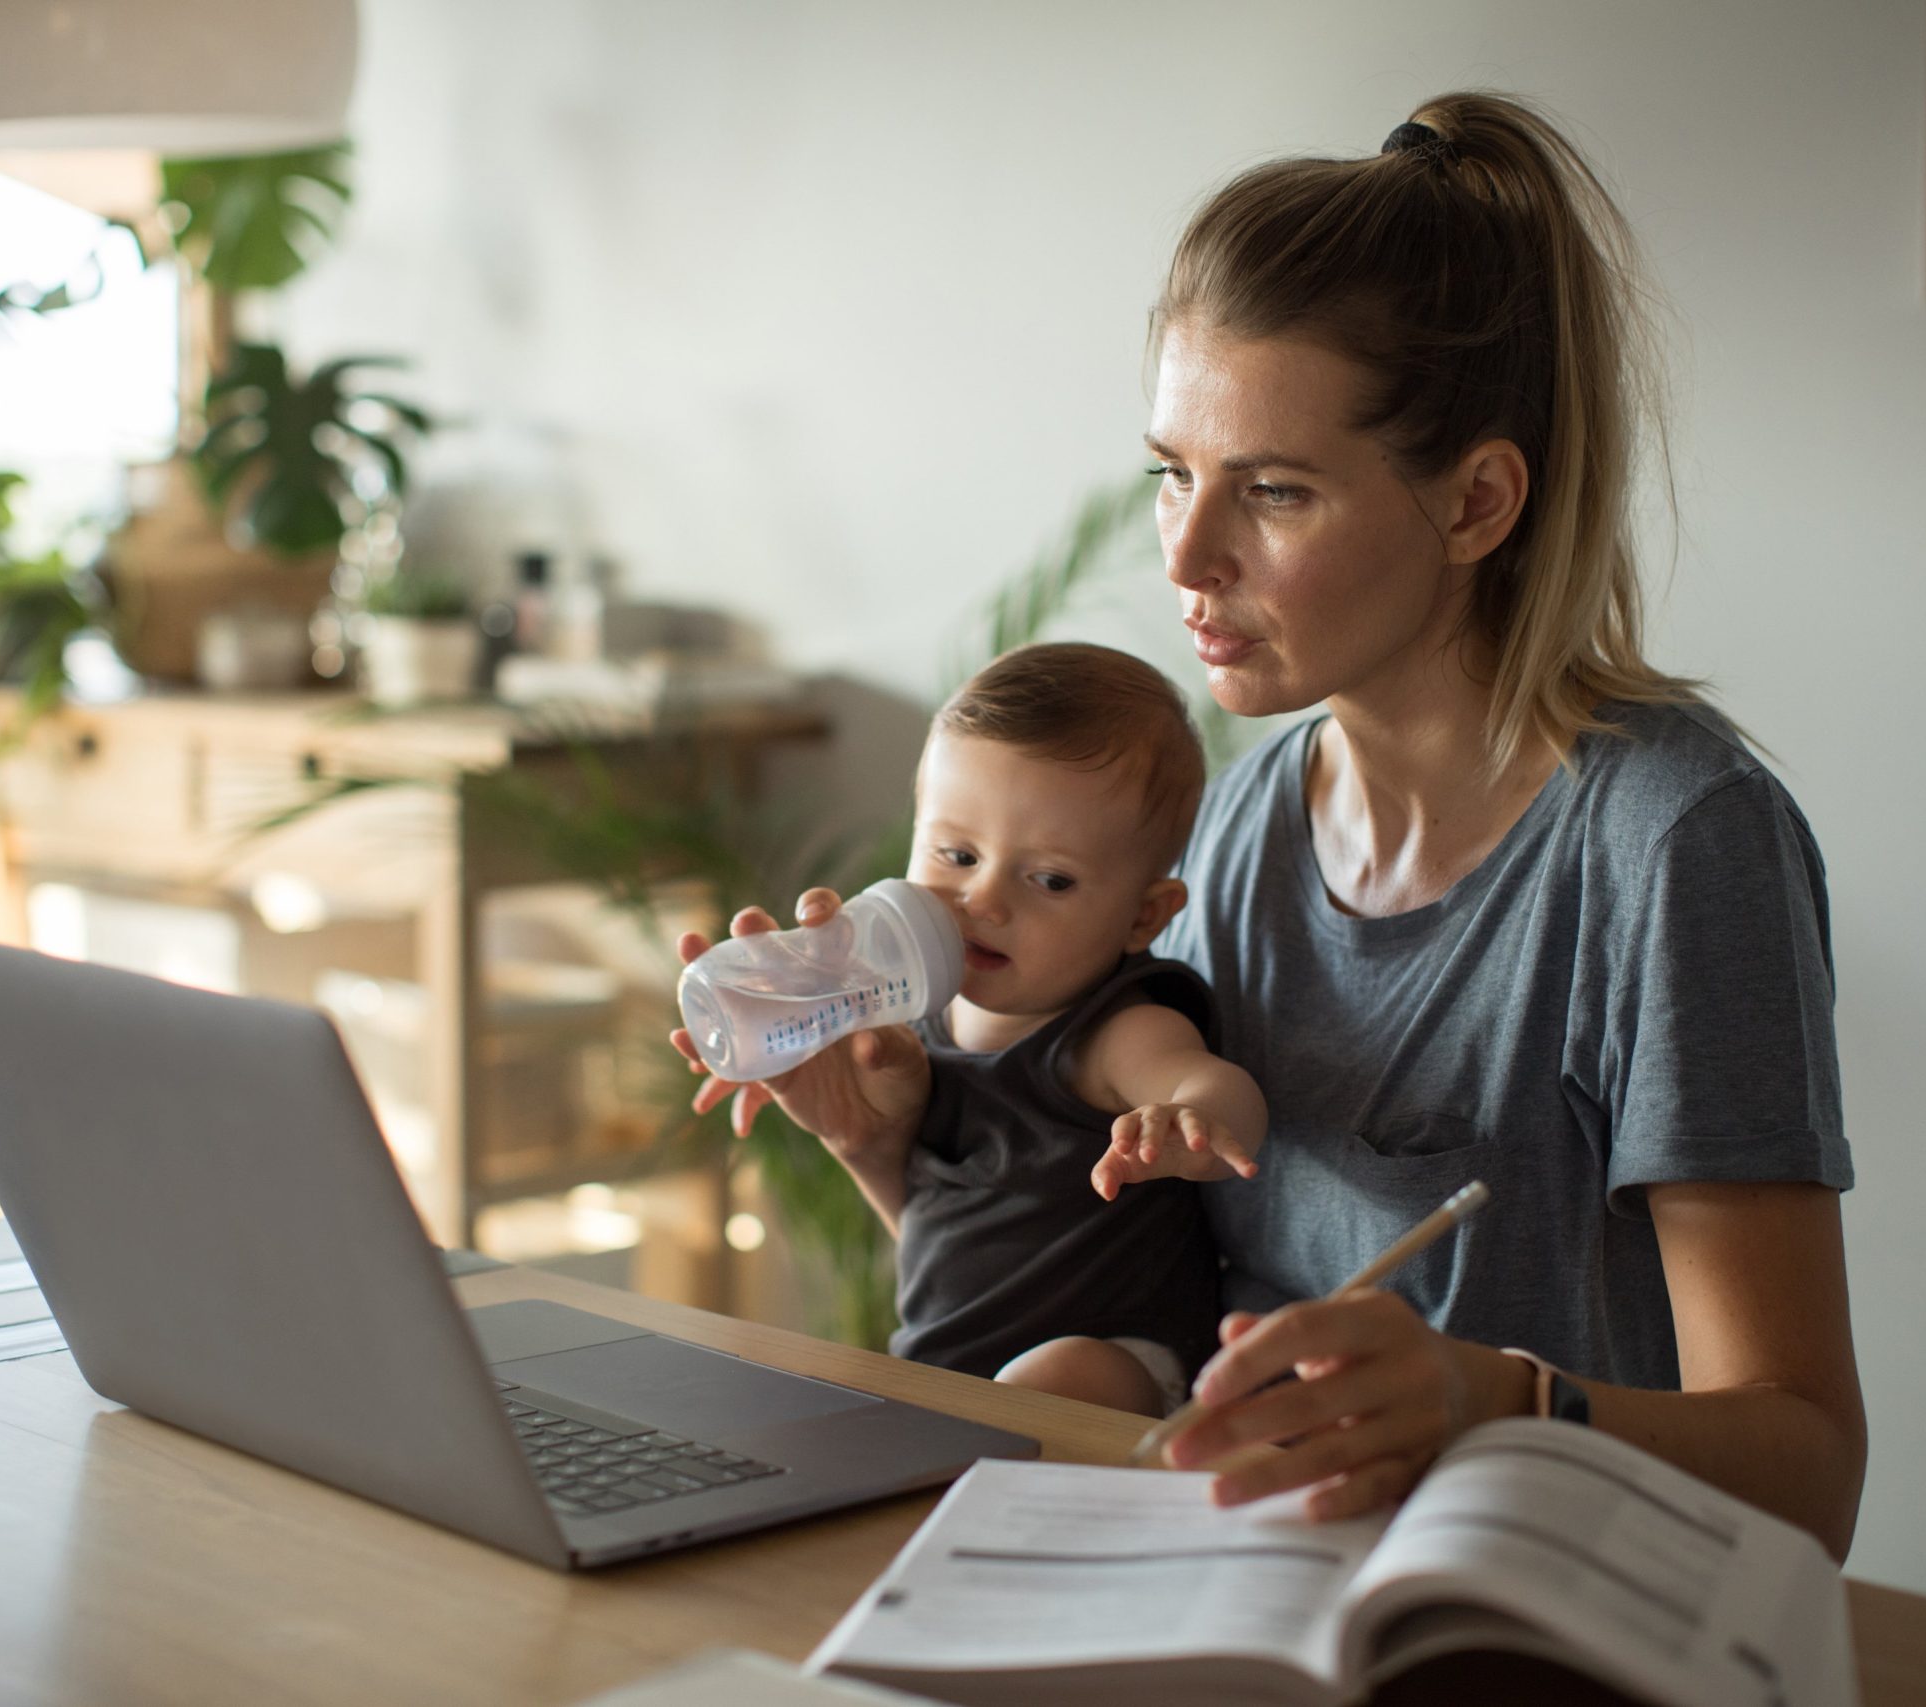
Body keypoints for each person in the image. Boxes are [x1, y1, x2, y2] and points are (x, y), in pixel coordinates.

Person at [679, 91, 1866, 1560]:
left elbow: (1809, 1472)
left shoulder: (1676, 843)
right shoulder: (1231, 830)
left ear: (1477, 502)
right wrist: (879, 1152)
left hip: (1514, 1608)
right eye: (1172, 474)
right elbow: (1107, 1318)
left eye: (1275, 492)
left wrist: (1491, 1400)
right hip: (1232, 1579)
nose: (1186, 554)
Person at [679, 641, 1268, 1418]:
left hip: (1120, 1364)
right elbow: (932, 1229)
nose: (983, 900)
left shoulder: (1112, 1031)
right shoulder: (909, 1019)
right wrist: (787, 1019)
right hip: (949, 1369)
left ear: (1143, 915)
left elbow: (1213, 1087)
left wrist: (1192, 1119)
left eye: (1050, 878)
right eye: (957, 854)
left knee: (1055, 1376)